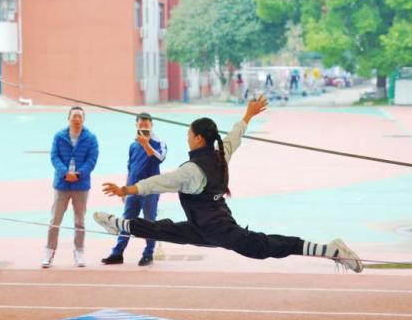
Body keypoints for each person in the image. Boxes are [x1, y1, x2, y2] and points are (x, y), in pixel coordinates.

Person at [93, 96, 363, 273]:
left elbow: (160, 182)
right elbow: (235, 135)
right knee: (164, 230)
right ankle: (117, 224)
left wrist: (126, 189)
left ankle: (331, 250)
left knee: (262, 248)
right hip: (203, 228)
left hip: (219, 230)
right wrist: (248, 115)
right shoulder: (220, 153)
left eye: (189, 135)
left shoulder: (191, 170)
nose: (187, 139)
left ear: (199, 139)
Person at [101, 113, 167, 267]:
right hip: (131, 190)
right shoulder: (133, 146)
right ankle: (117, 253)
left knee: (149, 222)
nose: (143, 128)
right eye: (140, 125)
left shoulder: (159, 143)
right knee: (126, 221)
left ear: (151, 126)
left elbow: (159, 159)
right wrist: (124, 190)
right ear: (136, 125)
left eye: (146, 125)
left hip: (150, 191)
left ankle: (148, 254)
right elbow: (130, 168)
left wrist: (146, 144)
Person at [42, 106, 99, 268]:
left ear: (84, 119)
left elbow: (92, 159)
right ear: (68, 118)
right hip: (62, 184)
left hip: (81, 185)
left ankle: (79, 252)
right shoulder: (59, 136)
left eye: (80, 116)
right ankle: (49, 253)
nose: (77, 119)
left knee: (80, 221)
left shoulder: (91, 138)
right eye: (74, 116)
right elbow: (54, 157)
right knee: (55, 220)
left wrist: (79, 174)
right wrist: (64, 172)